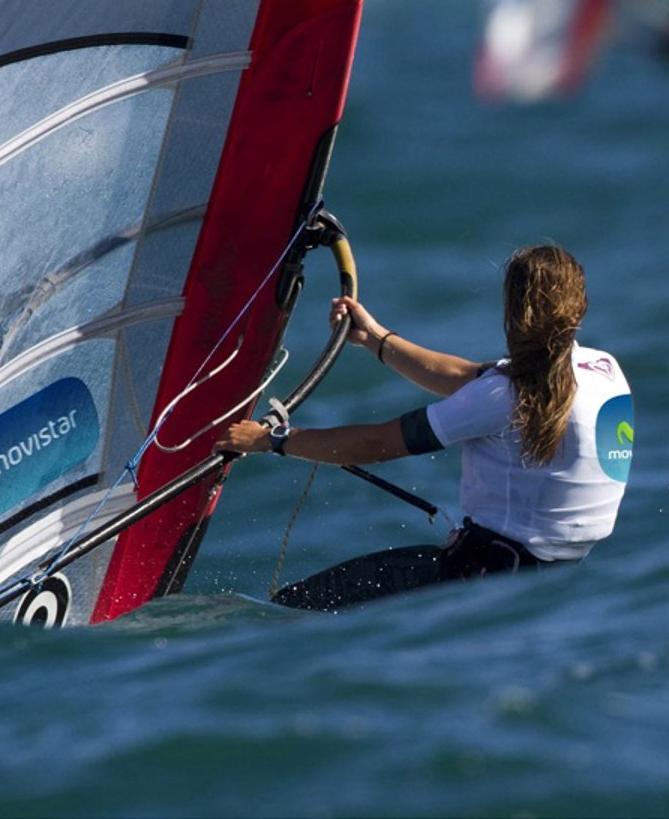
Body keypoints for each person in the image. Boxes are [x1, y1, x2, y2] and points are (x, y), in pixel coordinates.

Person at [214, 245, 634, 611]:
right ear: (579, 306)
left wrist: (272, 440)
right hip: (560, 580)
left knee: (294, 606)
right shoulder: (605, 370)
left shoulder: (504, 396)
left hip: (480, 578)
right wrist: (375, 339)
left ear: (513, 311)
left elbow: (379, 442)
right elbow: (467, 377)